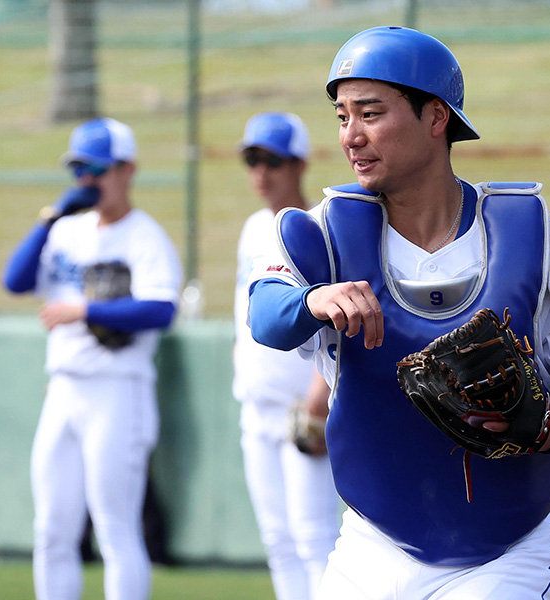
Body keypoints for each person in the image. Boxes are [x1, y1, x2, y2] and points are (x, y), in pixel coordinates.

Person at [246, 26, 550, 599]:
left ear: (436, 118)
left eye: (371, 113)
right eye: (341, 117)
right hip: (371, 546)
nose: (351, 136)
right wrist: (314, 299)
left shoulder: (531, 240)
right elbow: (266, 318)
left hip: (505, 552)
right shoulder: (327, 234)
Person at [2, 117, 182, 600]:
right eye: (79, 169)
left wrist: (85, 309)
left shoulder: (145, 236)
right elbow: (15, 281)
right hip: (63, 388)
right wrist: (49, 219)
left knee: (115, 529)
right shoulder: (67, 231)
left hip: (117, 388)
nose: (87, 181)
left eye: (97, 169)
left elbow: (162, 309)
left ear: (127, 170)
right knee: (52, 530)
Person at [233, 112, 340, 600]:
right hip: (257, 406)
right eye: (252, 159)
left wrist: (321, 399)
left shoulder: (319, 225)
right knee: (278, 540)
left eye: (272, 160)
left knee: (313, 539)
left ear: (300, 164)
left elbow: (341, 316)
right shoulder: (252, 227)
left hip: (304, 406)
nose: (261, 172)